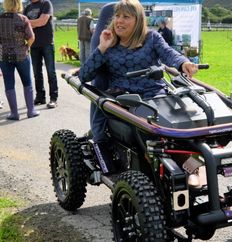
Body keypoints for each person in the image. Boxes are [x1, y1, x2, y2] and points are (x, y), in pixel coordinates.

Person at [79, 0, 198, 174]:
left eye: (126, 17)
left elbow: (169, 54)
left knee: (184, 119)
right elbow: (84, 75)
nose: (119, 21)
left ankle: (189, 163)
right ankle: (163, 167)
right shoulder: (110, 44)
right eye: (117, 16)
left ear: (138, 21)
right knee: (148, 129)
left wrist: (183, 62)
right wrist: (102, 47)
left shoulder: (152, 38)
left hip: (156, 96)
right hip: (125, 100)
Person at [0, 0, 39, 120]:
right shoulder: (23, 19)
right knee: (27, 82)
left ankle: (14, 113)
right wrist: (27, 47)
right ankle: (31, 111)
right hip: (22, 55)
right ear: (18, 4)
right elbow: (31, 37)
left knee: (9, 84)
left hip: (4, 57)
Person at [24, 0, 58, 108]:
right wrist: (33, 23)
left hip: (47, 43)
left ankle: (53, 98)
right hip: (33, 44)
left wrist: (28, 23)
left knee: (50, 72)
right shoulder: (27, 7)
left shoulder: (46, 3)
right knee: (36, 73)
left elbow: (42, 21)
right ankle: (40, 97)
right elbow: (22, 24)